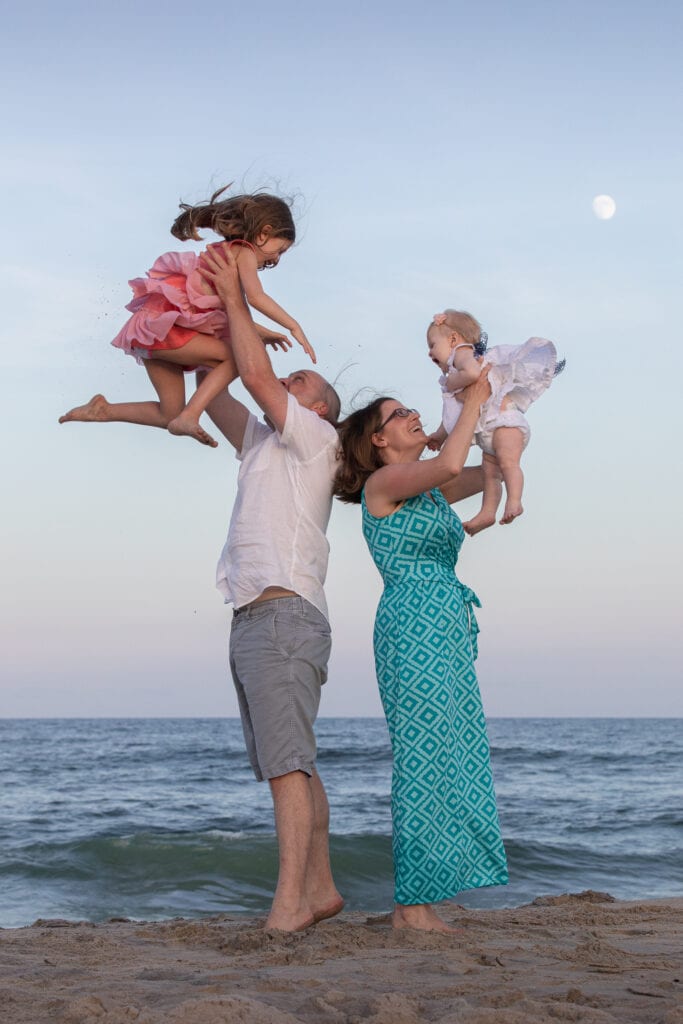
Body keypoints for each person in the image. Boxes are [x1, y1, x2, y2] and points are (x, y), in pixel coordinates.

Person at [197, 243, 344, 931]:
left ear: (321, 411)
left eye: (304, 379)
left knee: (287, 766)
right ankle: (318, 889)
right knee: (291, 764)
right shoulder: (262, 443)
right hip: (258, 616)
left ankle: (289, 904)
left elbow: (255, 376)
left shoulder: (315, 439)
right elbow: (220, 381)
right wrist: (190, 305)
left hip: (283, 614)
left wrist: (235, 296)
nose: (292, 379)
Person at [334, 377, 508, 932]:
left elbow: (487, 472)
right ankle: (411, 905)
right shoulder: (384, 484)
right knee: (422, 758)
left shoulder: (425, 490)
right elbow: (451, 467)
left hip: (446, 627)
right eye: (399, 414)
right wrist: (470, 403)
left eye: (413, 410)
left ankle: (427, 893)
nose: (412, 415)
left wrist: (495, 421)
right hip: (412, 626)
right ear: (379, 441)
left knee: (453, 752)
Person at [59, 185, 315, 447]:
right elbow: (255, 298)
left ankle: (103, 410)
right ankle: (192, 415)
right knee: (237, 357)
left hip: (152, 333)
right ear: (265, 232)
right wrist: (294, 326)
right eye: (279, 249)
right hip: (165, 331)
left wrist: (263, 332)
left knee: (169, 413)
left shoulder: (222, 251)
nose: (276, 259)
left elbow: (225, 312)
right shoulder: (244, 252)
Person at [427, 310, 562, 534]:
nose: (429, 352)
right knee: (491, 475)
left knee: (508, 465)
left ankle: (515, 501)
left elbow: (471, 375)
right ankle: (487, 514)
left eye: (432, 345)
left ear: (453, 339)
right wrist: (439, 437)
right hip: (490, 433)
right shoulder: (454, 370)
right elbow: (452, 414)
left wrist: (452, 383)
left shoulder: (462, 355)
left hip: (505, 422)